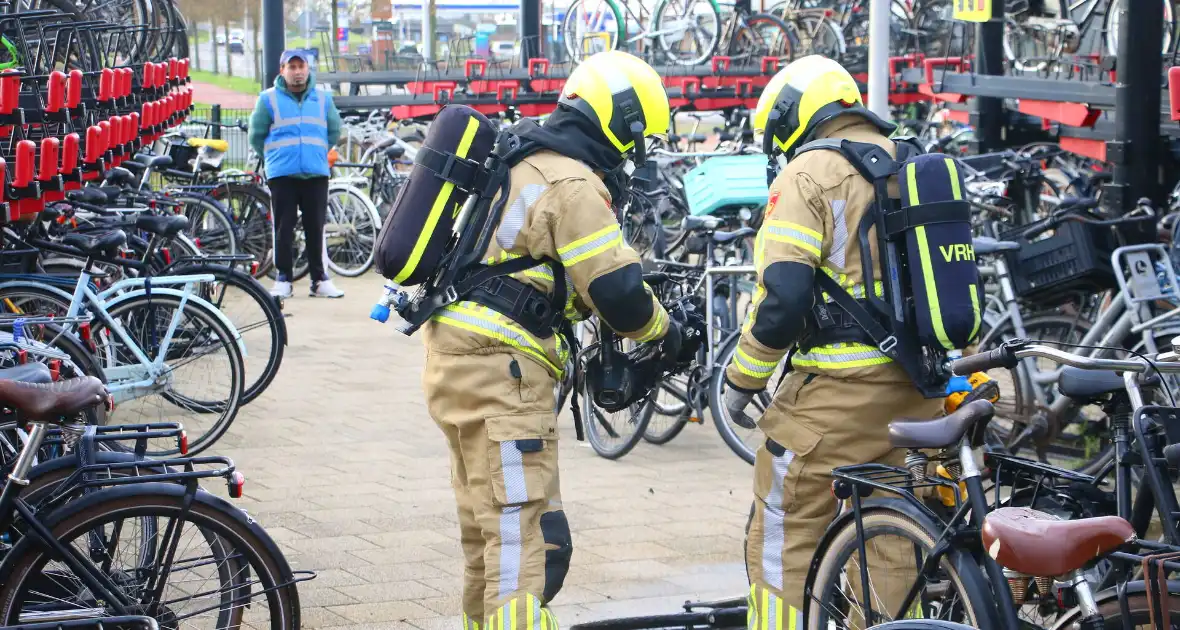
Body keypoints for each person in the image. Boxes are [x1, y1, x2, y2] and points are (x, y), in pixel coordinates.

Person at [420, 50, 701, 630]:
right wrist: (666, 335)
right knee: (522, 544)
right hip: (503, 377)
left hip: (455, 360)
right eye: (635, 138)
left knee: (487, 535)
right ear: (618, 122)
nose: (633, 155)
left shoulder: (523, 158)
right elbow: (619, 293)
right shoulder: (572, 182)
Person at [721, 55, 944, 626]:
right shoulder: (912, 163)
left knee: (782, 523)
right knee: (891, 537)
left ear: (796, 114)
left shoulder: (808, 173)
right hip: (919, 392)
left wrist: (741, 380)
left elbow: (783, 298)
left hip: (835, 401)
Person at [248, 49, 344, 299]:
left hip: (315, 172)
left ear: (308, 69)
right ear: (282, 71)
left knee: (315, 227)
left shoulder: (323, 99)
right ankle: (283, 279)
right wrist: (273, 158)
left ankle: (319, 279)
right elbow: (256, 136)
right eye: (292, 67)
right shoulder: (267, 100)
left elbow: (334, 131)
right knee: (283, 227)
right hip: (283, 174)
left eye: (301, 66)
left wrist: (317, 152)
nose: (298, 72)